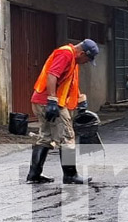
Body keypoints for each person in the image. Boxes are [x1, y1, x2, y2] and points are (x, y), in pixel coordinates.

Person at [26, 38, 99, 184]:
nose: (86, 63)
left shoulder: (73, 59)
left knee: (46, 137)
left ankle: (34, 175)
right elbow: (52, 75)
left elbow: (69, 82)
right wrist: (52, 100)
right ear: (82, 53)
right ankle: (70, 175)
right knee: (67, 136)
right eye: (87, 59)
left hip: (41, 101)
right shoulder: (66, 54)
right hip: (50, 102)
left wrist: (79, 98)